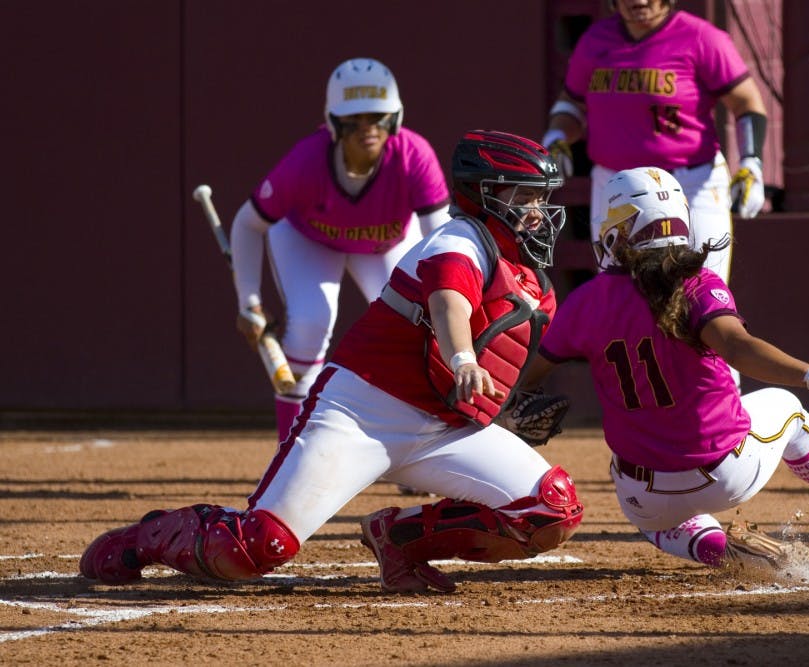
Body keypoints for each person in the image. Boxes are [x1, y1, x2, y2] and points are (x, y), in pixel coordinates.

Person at [79, 131, 584, 594]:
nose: (537, 211)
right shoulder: (458, 241)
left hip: (445, 427)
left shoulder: (532, 282)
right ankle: (147, 537)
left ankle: (400, 537)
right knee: (254, 548)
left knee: (551, 508)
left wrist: (503, 408)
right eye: (522, 197)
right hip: (361, 412)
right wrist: (463, 355)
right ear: (481, 196)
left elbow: (481, 366)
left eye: (540, 198)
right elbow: (449, 302)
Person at [519, 166, 809, 571]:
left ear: (618, 231)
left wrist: (508, 412)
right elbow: (737, 346)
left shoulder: (585, 302)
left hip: (643, 495)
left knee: (651, 515)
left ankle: (720, 549)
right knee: (788, 407)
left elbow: (530, 376)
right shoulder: (696, 283)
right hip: (728, 472)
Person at [230, 57, 451, 441]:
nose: (367, 128)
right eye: (354, 120)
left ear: (394, 118)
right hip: (310, 240)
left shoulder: (415, 156)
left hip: (387, 244)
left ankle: (414, 450)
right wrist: (249, 302)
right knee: (311, 322)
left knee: (417, 330)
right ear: (334, 123)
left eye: (378, 117)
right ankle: (293, 449)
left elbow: (443, 240)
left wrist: (451, 301)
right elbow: (247, 223)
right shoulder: (305, 162)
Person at [542, 0, 768, 283]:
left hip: (691, 183)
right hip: (615, 184)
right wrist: (557, 136)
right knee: (620, 289)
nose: (639, 1)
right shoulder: (596, 40)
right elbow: (572, 102)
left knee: (701, 287)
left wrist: (751, 162)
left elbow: (747, 102)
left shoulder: (701, 37)